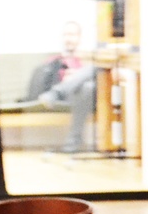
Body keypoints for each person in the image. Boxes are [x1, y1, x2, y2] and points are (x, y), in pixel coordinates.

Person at [25, 20, 96, 153]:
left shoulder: (87, 60)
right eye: (66, 35)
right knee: (87, 84)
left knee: (89, 82)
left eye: (72, 35)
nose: (69, 39)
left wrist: (76, 78)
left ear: (80, 37)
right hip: (63, 98)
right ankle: (73, 142)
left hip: (85, 97)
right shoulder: (54, 61)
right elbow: (42, 83)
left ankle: (57, 92)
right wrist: (65, 80)